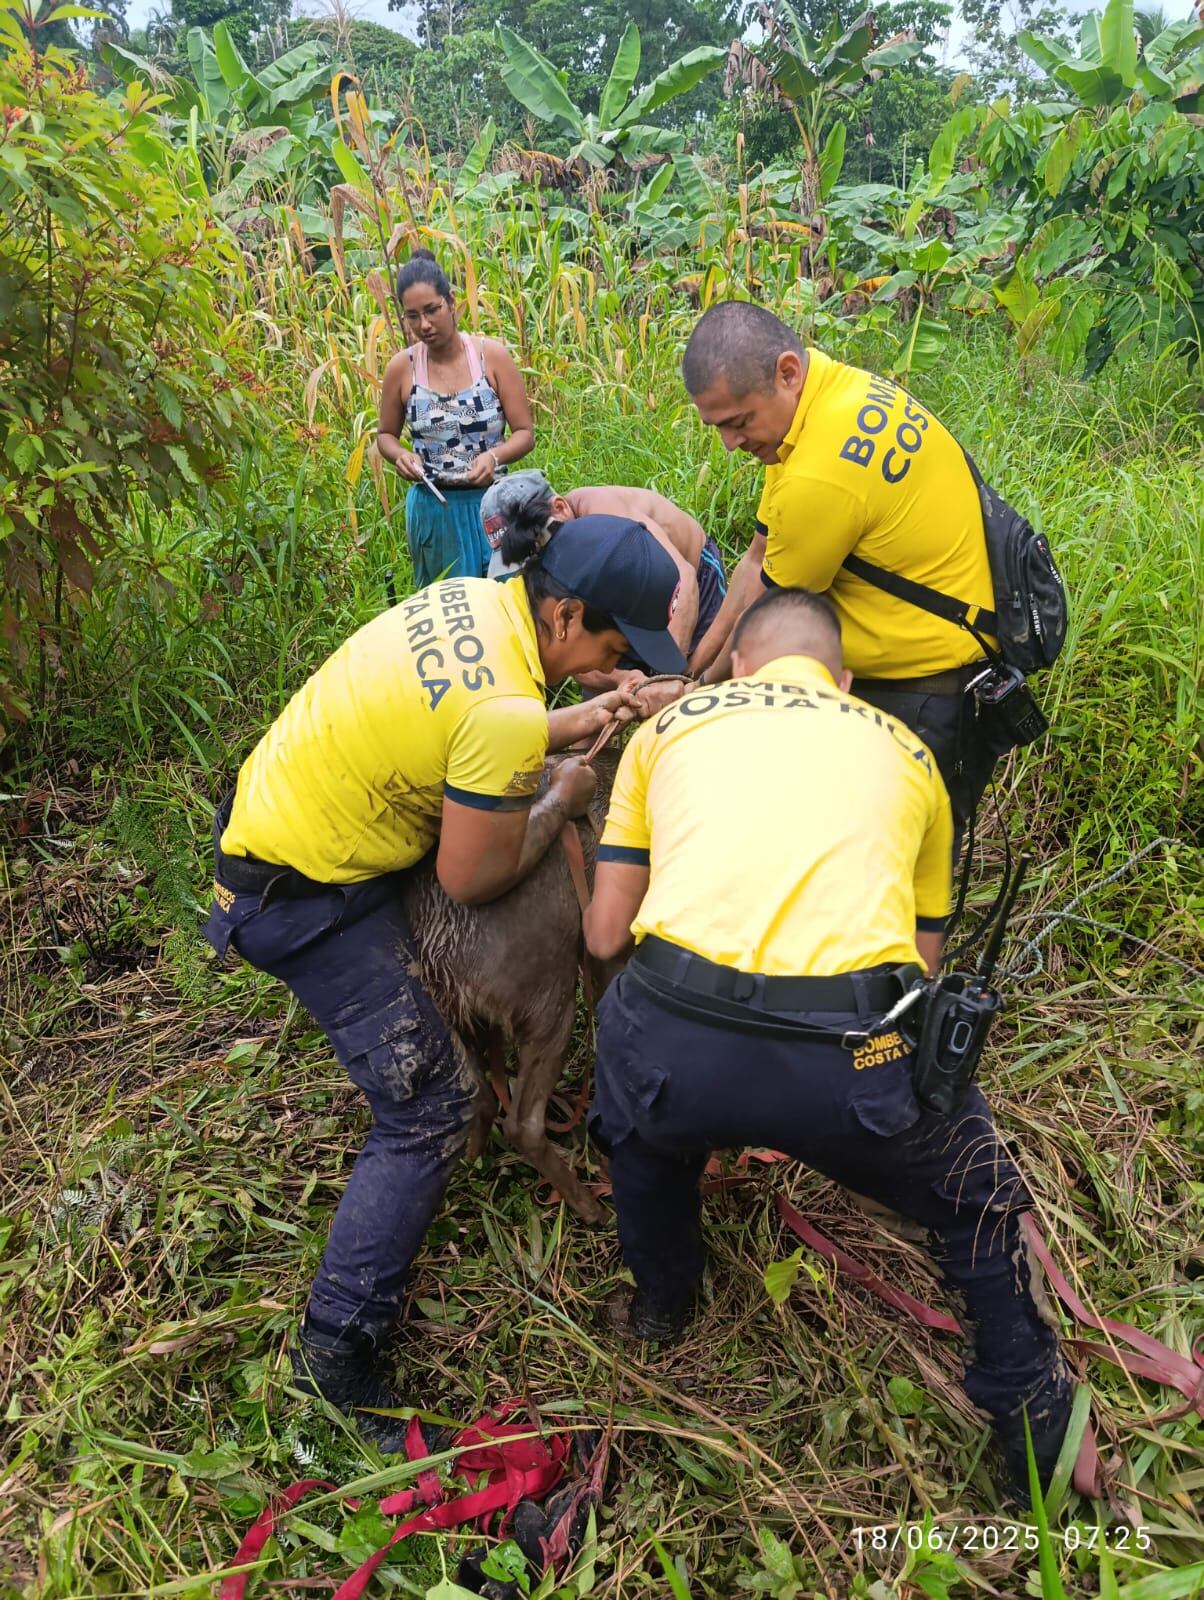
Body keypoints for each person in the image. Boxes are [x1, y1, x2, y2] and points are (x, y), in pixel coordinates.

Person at [203, 517, 686, 1449]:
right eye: (611, 649)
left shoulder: (473, 599)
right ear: (567, 613)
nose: (611, 668)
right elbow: (474, 877)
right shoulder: (505, 711)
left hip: (283, 824)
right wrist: (563, 796)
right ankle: (334, 1358)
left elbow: (475, 720)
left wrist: (567, 721)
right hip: (297, 899)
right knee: (430, 1102)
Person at [582, 586, 1072, 1494]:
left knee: (637, 1125)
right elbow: (921, 971)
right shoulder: (913, 755)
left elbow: (607, 937)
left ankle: (661, 1301)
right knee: (975, 1202)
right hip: (852, 1059)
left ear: (738, 664)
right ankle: (1035, 1428)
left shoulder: (666, 732)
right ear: (844, 681)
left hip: (675, 1045)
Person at [680, 300, 1004, 851]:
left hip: (926, 697)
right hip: (929, 672)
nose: (729, 445)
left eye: (738, 423)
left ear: (787, 372)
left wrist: (693, 702)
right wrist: (690, 673)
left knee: (885, 884)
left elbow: (770, 617)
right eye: (717, 427)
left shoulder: (821, 475)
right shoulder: (830, 394)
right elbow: (757, 558)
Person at [377, 250, 535, 586]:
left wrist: (494, 456)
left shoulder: (489, 357)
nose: (425, 325)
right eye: (413, 316)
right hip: (435, 511)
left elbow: (524, 433)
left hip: (494, 505)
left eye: (432, 310)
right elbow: (385, 436)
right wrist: (400, 455)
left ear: (451, 302)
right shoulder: (402, 368)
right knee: (450, 614)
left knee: (505, 606)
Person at [480, 471, 730, 681]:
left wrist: (669, 678)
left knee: (696, 682)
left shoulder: (602, 510)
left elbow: (683, 581)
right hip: (618, 603)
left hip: (690, 583)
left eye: (541, 547)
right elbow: (566, 646)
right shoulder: (551, 565)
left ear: (560, 508)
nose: (541, 562)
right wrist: (629, 682)